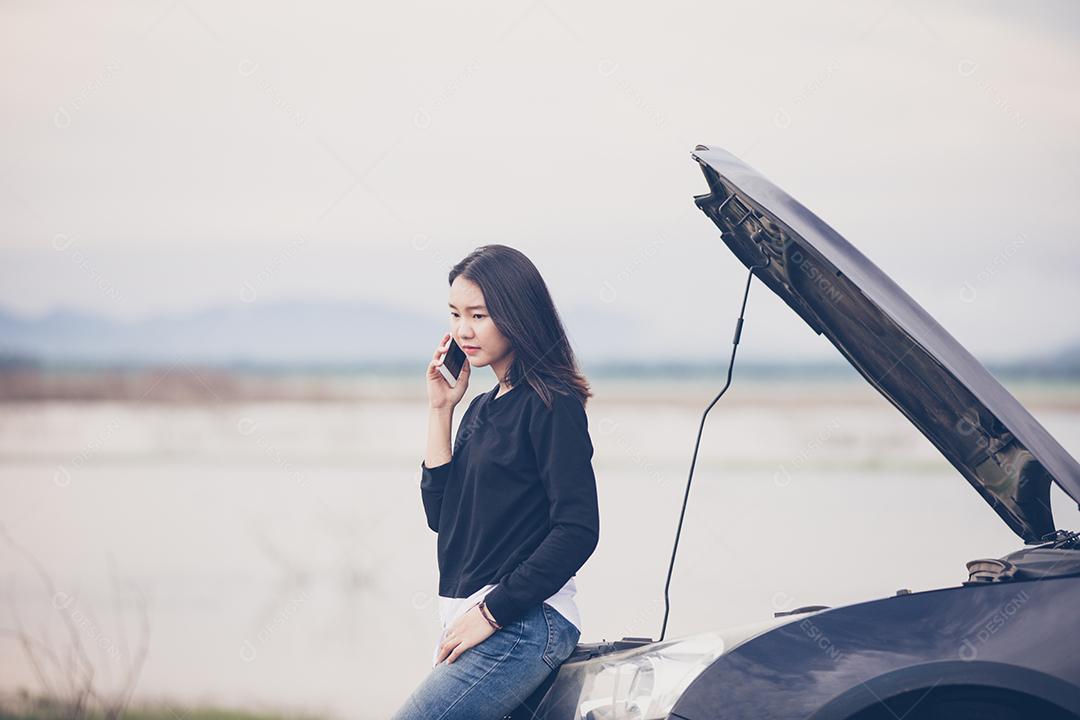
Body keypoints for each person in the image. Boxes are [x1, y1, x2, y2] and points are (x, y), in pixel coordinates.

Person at [390, 245, 601, 720]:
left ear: (517, 314)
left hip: (525, 623)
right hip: (473, 620)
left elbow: (578, 529)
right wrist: (441, 409)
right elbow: (440, 516)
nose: (463, 330)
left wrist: (490, 614)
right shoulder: (483, 407)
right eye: (455, 314)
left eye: (479, 315)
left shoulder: (552, 403)